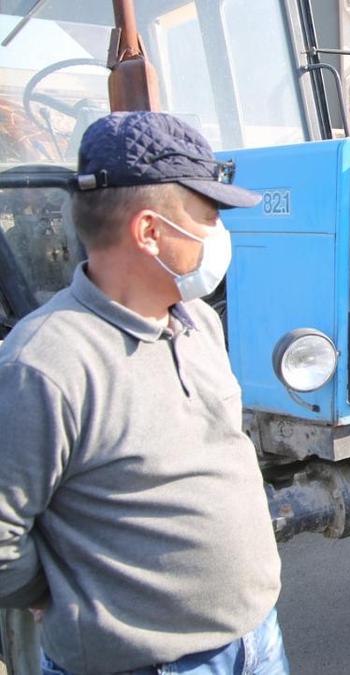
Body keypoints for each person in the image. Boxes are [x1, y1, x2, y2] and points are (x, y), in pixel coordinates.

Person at [0, 112, 288, 674]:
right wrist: (57, 593)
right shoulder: (44, 364)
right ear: (150, 232)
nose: (218, 235)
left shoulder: (199, 322)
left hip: (254, 642)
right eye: (207, 216)